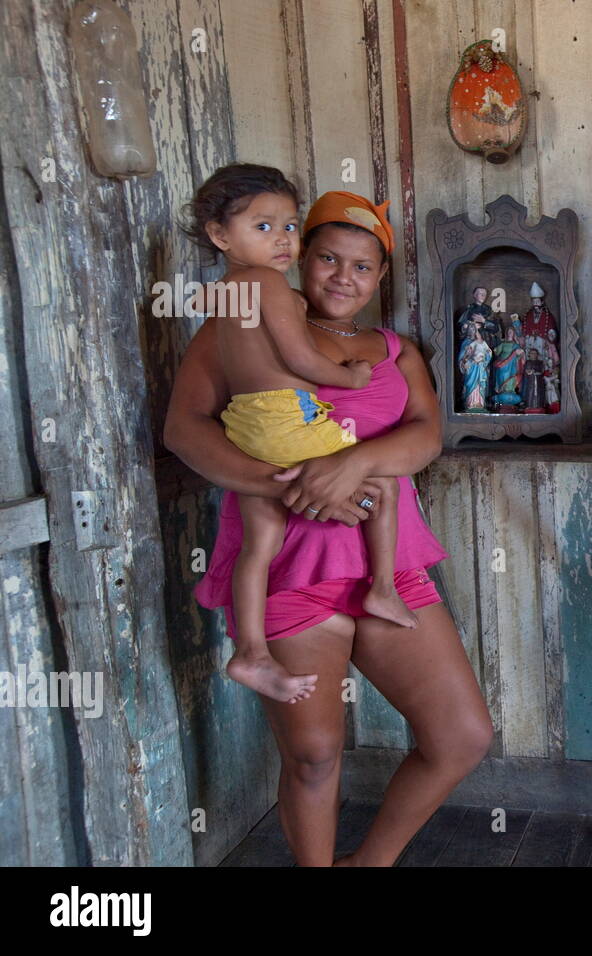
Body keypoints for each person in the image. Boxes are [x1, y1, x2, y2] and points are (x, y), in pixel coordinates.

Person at [163, 189, 493, 866]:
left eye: (363, 266)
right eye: (327, 259)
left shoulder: (396, 350)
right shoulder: (244, 318)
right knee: (313, 756)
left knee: (460, 736)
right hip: (288, 562)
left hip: (384, 562)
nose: (344, 277)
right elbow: (183, 428)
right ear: (299, 258)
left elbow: (426, 435)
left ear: (380, 277)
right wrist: (280, 483)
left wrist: (354, 465)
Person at [182, 167, 417, 705]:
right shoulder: (268, 286)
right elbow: (297, 358)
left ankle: (250, 653)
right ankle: (382, 589)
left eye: (288, 227)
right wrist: (348, 377)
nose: (282, 240)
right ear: (221, 236)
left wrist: (271, 481)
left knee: (258, 544)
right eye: (265, 228)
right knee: (380, 487)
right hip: (283, 419)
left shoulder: (228, 293)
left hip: (247, 428)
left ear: (380, 275)